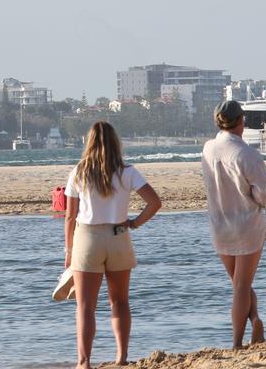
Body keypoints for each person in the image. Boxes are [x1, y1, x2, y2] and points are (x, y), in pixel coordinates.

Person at [64, 121, 163, 367]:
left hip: (87, 238)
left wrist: (68, 251)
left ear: (89, 143)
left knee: (85, 306)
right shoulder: (127, 171)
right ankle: (121, 357)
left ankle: (84, 361)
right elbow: (154, 202)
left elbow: (69, 215)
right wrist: (135, 223)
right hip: (118, 235)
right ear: (115, 143)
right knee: (119, 301)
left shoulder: (79, 171)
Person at [201, 100, 266, 349]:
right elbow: (263, 196)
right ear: (241, 121)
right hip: (247, 225)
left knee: (239, 284)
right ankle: (237, 342)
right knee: (241, 285)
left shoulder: (208, 149)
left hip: (220, 225)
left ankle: (255, 318)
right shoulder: (247, 153)